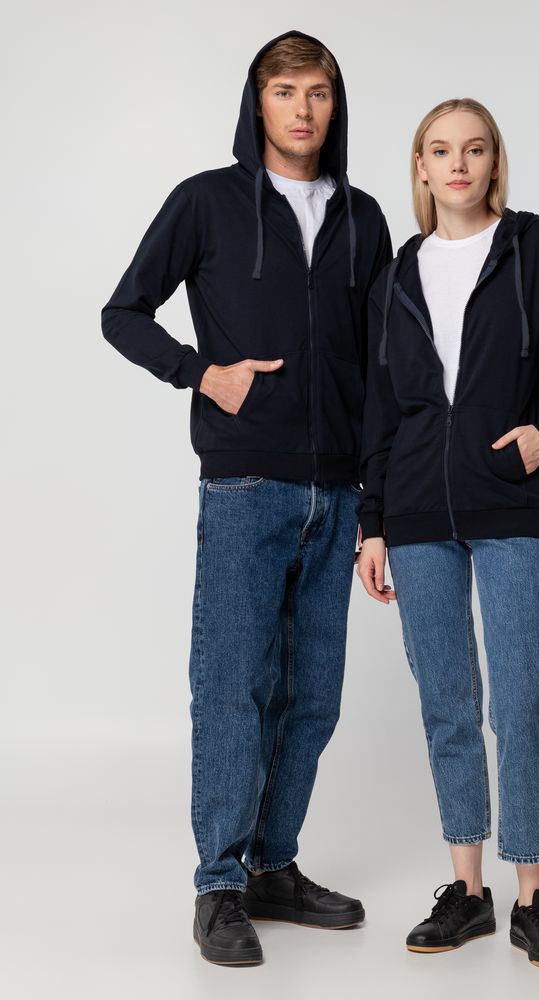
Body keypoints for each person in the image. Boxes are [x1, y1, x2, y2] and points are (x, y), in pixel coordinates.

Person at [101, 30, 391, 966]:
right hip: (244, 482)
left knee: (311, 697)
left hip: (337, 489)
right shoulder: (207, 202)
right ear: (256, 101)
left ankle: (272, 865)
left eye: (318, 92)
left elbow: (384, 367)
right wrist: (199, 373)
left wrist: (377, 500)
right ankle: (219, 885)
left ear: (335, 105)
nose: (303, 108)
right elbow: (121, 312)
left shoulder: (364, 218)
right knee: (232, 688)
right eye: (284, 90)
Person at [355, 97, 539, 969]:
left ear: (493, 162)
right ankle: (465, 892)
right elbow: (379, 409)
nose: (458, 164)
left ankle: (532, 899)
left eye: (473, 149)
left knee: (519, 700)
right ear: (421, 168)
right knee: (447, 704)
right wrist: (371, 525)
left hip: (513, 504)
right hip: (416, 510)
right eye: (440, 151)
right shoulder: (396, 275)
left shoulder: (538, 249)